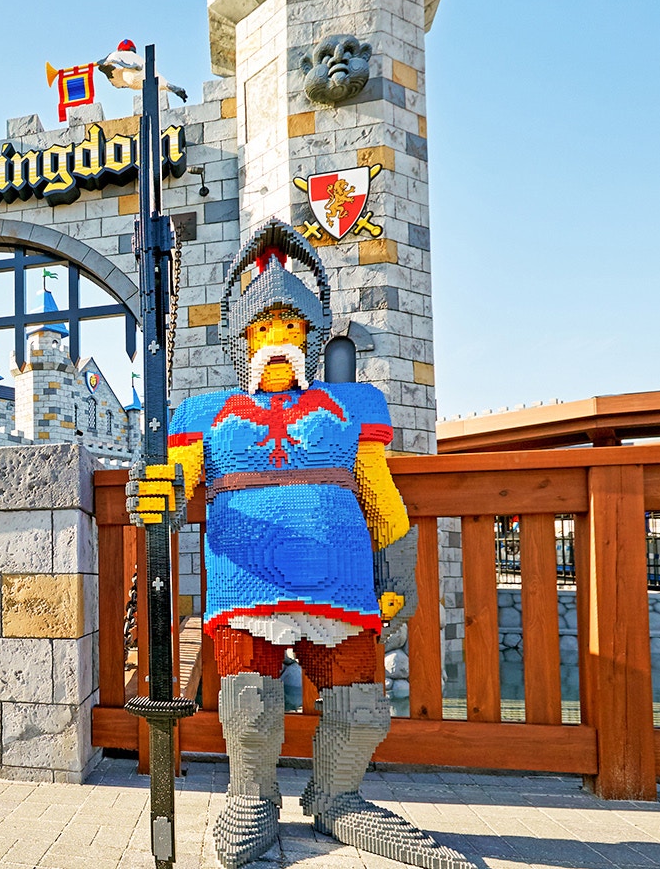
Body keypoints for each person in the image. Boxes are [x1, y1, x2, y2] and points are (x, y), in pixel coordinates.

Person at [130, 219, 472, 869]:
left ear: (311, 338)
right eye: (264, 329)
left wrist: (397, 565)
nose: (276, 342)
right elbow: (172, 489)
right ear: (243, 340)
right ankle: (251, 795)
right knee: (251, 705)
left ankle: (337, 794)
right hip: (245, 583)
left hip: (339, 584)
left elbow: (380, 491)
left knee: (362, 704)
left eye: (289, 329)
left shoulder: (351, 409)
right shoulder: (205, 417)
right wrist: (151, 496)